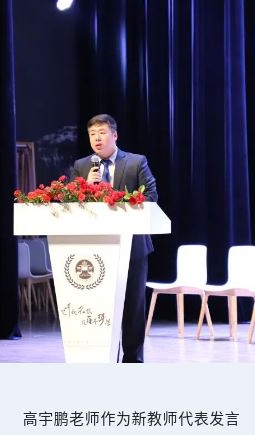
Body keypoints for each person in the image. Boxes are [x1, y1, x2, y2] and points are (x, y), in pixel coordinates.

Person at [70, 113, 158, 363]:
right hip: (96, 246)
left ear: (115, 135)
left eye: (102, 133)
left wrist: (118, 201)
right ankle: (101, 357)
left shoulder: (136, 162)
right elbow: (72, 203)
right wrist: (86, 187)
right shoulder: (82, 166)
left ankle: (132, 360)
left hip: (133, 245)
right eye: (92, 134)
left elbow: (151, 195)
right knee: (100, 305)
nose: (97, 139)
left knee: (132, 305)